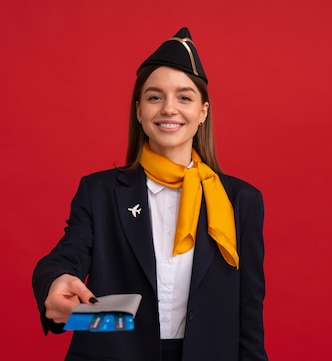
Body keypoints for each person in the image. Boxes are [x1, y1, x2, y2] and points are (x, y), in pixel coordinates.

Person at [32, 27, 269, 361]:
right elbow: (65, 255)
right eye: (155, 97)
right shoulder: (100, 191)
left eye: (184, 97)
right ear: (139, 110)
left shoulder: (241, 201)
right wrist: (57, 281)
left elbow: (249, 321)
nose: (169, 109)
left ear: (202, 112)